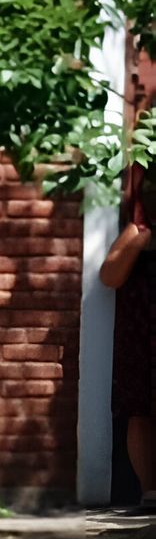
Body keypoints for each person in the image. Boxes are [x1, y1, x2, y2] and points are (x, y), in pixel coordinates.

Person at [99, 163, 156, 509]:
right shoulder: (139, 229)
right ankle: (151, 490)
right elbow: (109, 276)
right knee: (142, 410)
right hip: (144, 330)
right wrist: (139, 241)